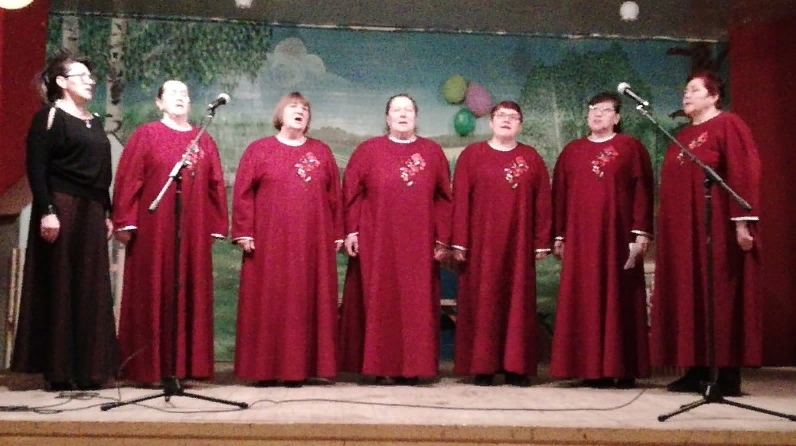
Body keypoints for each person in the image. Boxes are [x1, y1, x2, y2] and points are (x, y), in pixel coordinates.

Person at [11, 50, 118, 391]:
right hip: (62, 207)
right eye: (82, 76)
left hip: (91, 211)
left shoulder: (94, 120)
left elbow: (102, 171)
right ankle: (59, 371)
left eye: (91, 76)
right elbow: (37, 167)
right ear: (61, 82)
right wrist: (47, 210)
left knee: (90, 286)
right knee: (61, 283)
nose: (90, 81)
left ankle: (89, 369)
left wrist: (107, 211)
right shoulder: (49, 117)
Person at [651, 70, 761, 397]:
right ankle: (695, 369)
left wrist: (742, 221)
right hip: (684, 234)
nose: (686, 95)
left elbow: (744, 172)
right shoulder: (683, 135)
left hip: (717, 230)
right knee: (690, 295)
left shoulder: (729, 125)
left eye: (695, 90)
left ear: (714, 96)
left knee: (718, 296)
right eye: (685, 90)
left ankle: (725, 373)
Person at [112, 80, 229, 384]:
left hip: (193, 230)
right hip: (154, 229)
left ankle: (187, 366)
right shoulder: (146, 135)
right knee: (154, 287)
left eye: (185, 94)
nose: (180, 98)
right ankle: (148, 367)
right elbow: (129, 179)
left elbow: (216, 184)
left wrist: (217, 223)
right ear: (159, 102)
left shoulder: (203, 140)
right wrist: (124, 219)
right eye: (173, 93)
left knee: (189, 287)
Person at [338, 94, 452, 385]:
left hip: (419, 243)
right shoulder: (368, 151)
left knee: (415, 304)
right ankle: (380, 366)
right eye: (396, 110)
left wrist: (442, 238)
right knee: (379, 301)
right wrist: (351, 231)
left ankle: (412, 367)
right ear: (387, 117)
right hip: (377, 242)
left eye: (408, 110)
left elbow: (444, 198)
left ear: (416, 116)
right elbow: (351, 194)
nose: (403, 114)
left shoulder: (432, 152)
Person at [232, 92, 343, 387]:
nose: (300, 111)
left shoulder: (321, 152)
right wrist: (244, 230)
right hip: (269, 243)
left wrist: (337, 233)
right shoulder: (259, 150)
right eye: (294, 107)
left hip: (312, 244)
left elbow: (335, 197)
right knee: (269, 300)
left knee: (306, 300)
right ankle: (265, 370)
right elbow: (243, 194)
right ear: (280, 114)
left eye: (305, 108)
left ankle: (300, 369)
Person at [549, 92, 654, 389]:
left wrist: (641, 231)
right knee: (584, 298)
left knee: (621, 297)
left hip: (618, 239)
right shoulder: (572, 151)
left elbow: (643, 192)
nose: (597, 114)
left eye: (605, 110)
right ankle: (590, 368)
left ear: (617, 117)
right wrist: (560, 234)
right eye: (593, 109)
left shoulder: (631, 148)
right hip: (581, 241)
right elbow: (560, 196)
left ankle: (623, 367)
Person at [451, 101, 552, 386]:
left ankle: (516, 367)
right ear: (490, 122)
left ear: (520, 124)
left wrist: (541, 241)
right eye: (501, 116)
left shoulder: (531, 158)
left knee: (517, 303)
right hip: (480, 246)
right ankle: (483, 366)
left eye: (513, 117)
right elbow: (460, 201)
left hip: (519, 246)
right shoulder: (472, 156)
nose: (506, 120)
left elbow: (543, 201)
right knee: (483, 302)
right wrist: (459, 241)